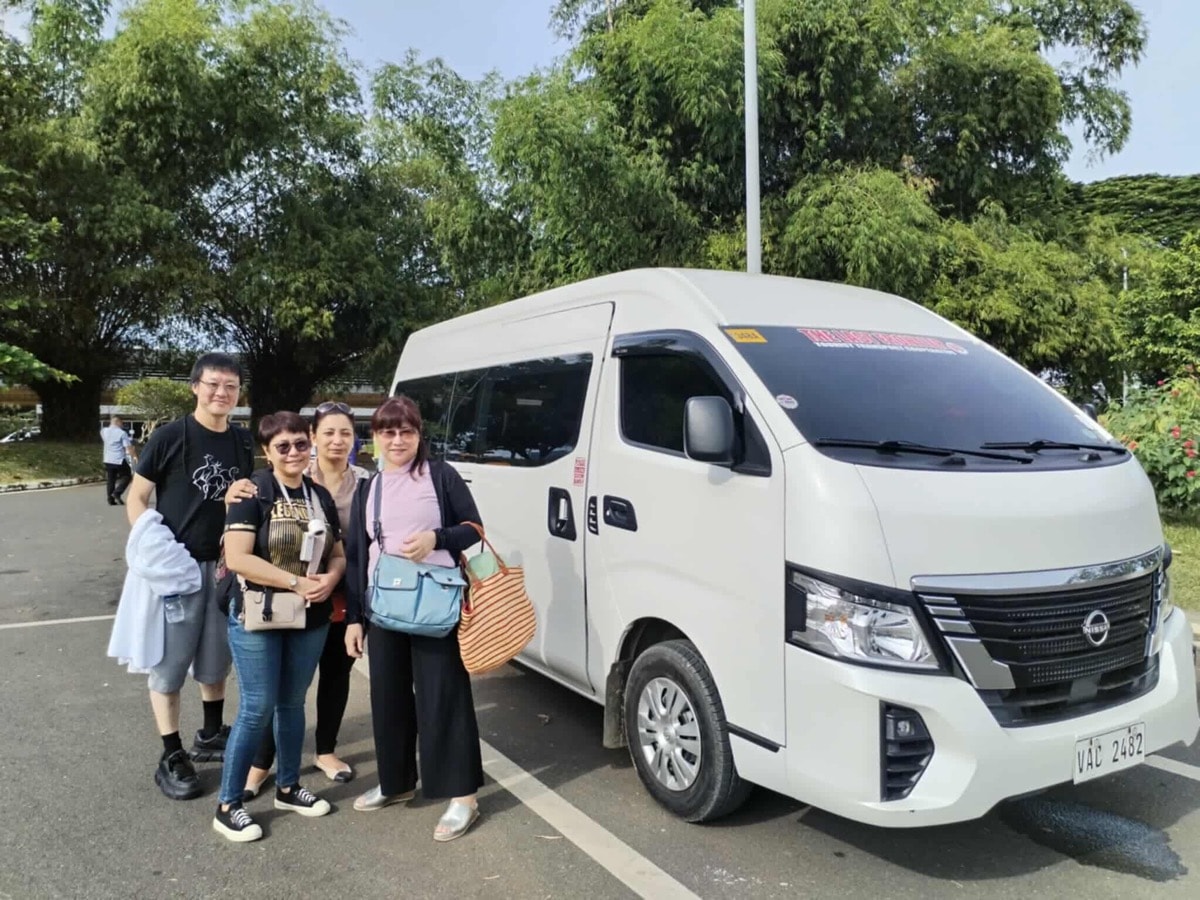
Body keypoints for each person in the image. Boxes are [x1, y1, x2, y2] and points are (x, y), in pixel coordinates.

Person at [344, 396, 485, 842]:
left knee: (443, 697)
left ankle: (463, 796)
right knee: (388, 699)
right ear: (375, 438)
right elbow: (357, 555)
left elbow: (474, 529)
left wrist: (436, 538)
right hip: (385, 606)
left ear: (419, 434)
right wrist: (354, 617)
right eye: (388, 432)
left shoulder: (440, 476)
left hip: (434, 605)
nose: (397, 440)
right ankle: (396, 782)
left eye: (406, 431)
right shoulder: (370, 487)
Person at [126, 353, 258, 800]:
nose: (222, 393)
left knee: (215, 657)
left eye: (231, 386)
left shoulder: (242, 441)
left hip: (223, 565)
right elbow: (137, 497)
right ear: (195, 387)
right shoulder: (170, 436)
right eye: (213, 384)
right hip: (177, 570)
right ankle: (171, 753)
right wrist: (154, 549)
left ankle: (211, 732)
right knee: (169, 664)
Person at [214, 411, 347, 842]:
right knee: (257, 706)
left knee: (292, 702)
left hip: (311, 615)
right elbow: (238, 558)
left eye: (300, 444)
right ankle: (228, 804)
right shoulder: (252, 492)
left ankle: (288, 787)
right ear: (267, 451)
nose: (293, 453)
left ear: (310, 445)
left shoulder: (319, 496)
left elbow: (338, 553)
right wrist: (295, 582)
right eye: (282, 446)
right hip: (260, 612)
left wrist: (331, 578)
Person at [241, 401, 368, 796]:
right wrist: (234, 490)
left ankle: (326, 750)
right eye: (328, 432)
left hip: (343, 590)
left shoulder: (367, 483)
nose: (337, 440)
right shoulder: (292, 472)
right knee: (279, 683)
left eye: (345, 433)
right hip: (286, 595)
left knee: (336, 672)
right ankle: (262, 761)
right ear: (313, 436)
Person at [100, 415, 136, 505]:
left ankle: (110, 499)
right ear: (118, 422)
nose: (122, 425)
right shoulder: (122, 433)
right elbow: (128, 447)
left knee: (111, 479)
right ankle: (117, 492)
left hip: (108, 459)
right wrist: (135, 456)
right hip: (119, 459)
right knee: (127, 476)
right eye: (121, 423)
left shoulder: (103, 431)